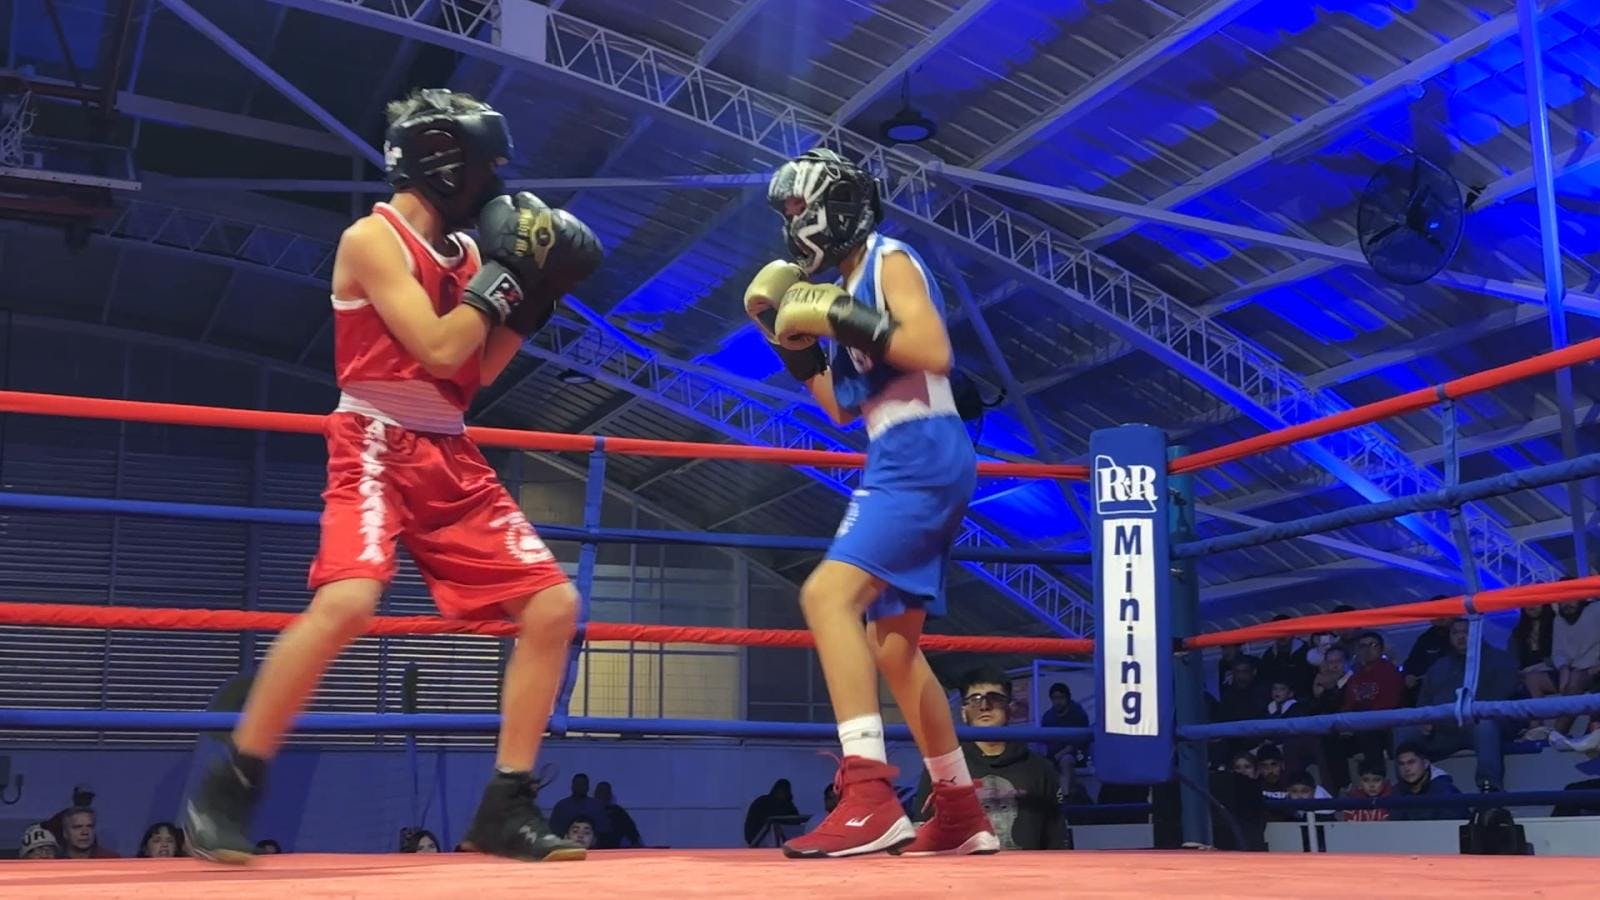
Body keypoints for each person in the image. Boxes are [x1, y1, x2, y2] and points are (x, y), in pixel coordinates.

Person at [181, 88, 604, 865]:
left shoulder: (468, 255)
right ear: (446, 162)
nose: (494, 183)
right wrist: (510, 276)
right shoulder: (371, 240)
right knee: (347, 602)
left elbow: (474, 371)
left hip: (449, 448)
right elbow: (437, 348)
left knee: (553, 606)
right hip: (373, 438)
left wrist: (533, 299)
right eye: (485, 165)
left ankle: (506, 804)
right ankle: (230, 784)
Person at [743, 148, 996, 858]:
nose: (794, 223)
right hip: (897, 450)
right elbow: (840, 408)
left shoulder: (890, 260)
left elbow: (933, 350)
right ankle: (959, 808)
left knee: (827, 596)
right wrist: (788, 341)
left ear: (838, 205)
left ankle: (868, 795)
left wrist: (837, 314)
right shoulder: (849, 283)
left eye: (800, 208)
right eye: (788, 213)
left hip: (922, 449)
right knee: (894, 648)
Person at [912, 667, 1065, 851]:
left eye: (995, 698)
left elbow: (1057, 837)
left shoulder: (1040, 768)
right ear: (963, 712)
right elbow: (922, 827)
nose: (984, 706)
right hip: (960, 868)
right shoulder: (944, 768)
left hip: (1028, 868)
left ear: (1010, 708)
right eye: (975, 699)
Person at [743, 779, 801, 847]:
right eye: (779, 790)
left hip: (781, 841)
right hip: (759, 839)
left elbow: (796, 821)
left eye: (784, 791)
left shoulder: (788, 805)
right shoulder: (763, 802)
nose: (781, 793)